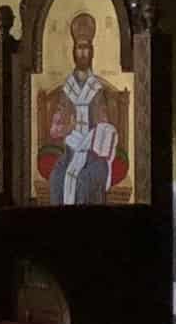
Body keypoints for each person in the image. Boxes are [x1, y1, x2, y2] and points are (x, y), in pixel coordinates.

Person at [40, 10, 124, 204]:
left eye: (86, 48)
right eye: (79, 48)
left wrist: (96, 136)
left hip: (93, 156)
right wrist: (65, 128)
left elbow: (104, 126)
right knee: (57, 179)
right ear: (73, 51)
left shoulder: (97, 88)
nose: (83, 53)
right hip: (69, 153)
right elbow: (55, 129)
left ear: (92, 51)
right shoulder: (66, 89)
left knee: (84, 182)